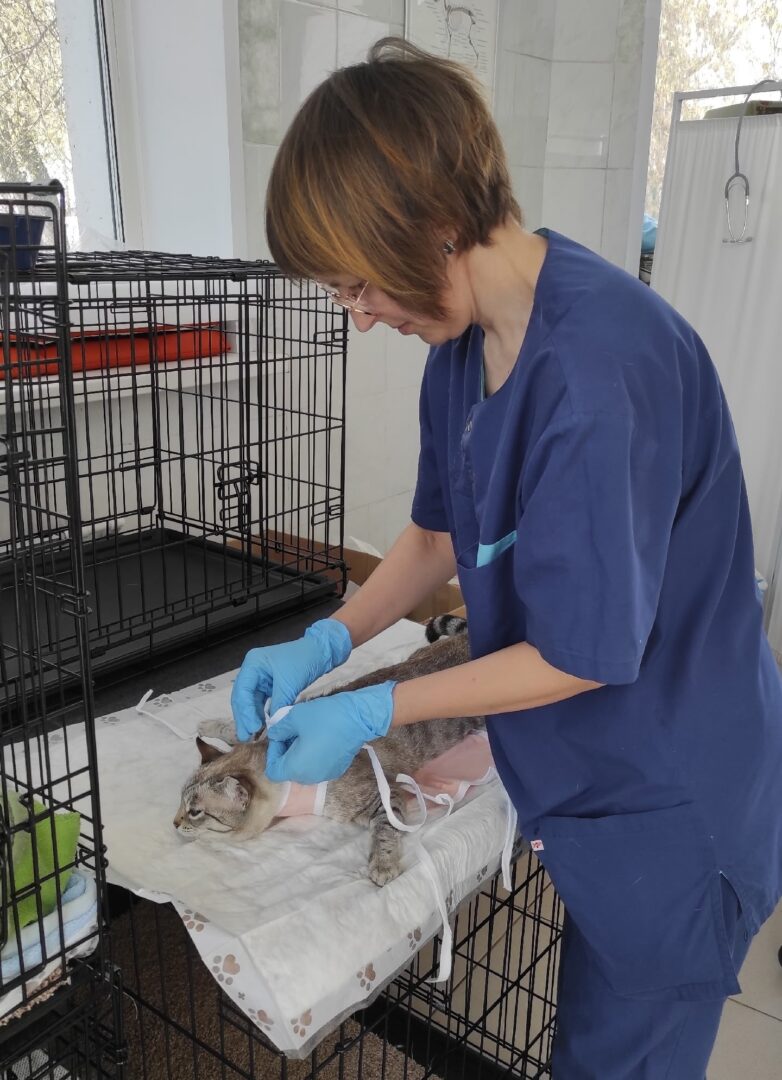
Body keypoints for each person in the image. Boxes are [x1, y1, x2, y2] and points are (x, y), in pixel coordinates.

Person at [231, 38, 782, 1079]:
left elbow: (580, 653)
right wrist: (327, 640)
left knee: (621, 1057)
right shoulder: (462, 353)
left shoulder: (601, 371)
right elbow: (437, 534)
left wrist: (373, 710)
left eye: (358, 285)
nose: (359, 317)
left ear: (434, 226)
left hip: (671, 794)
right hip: (593, 785)